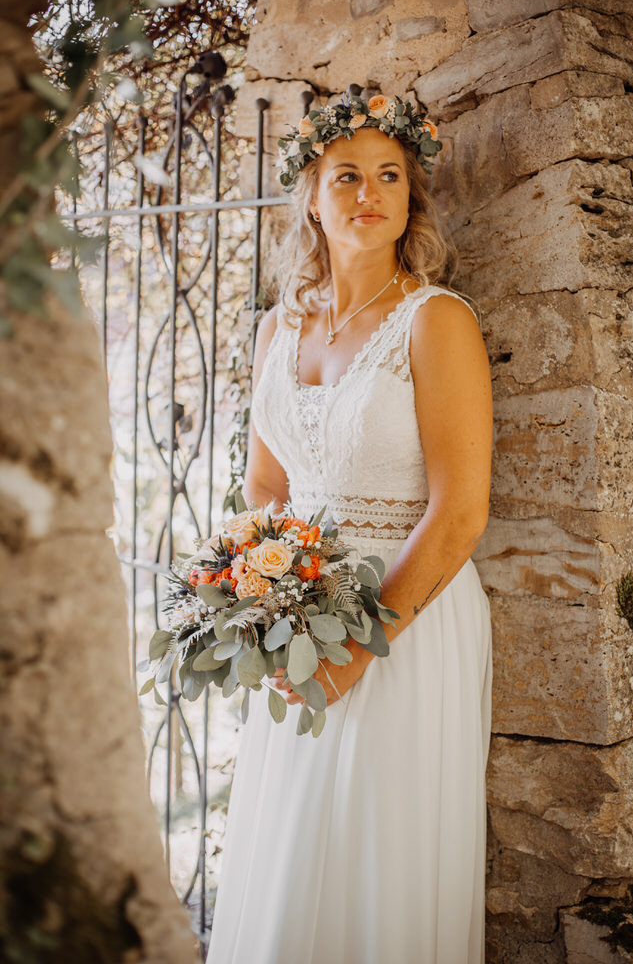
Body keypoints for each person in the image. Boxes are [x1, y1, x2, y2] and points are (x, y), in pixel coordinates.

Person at [206, 89, 493, 964]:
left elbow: (460, 512)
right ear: (311, 196)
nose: (367, 192)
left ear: (411, 199)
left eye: (388, 175)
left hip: (406, 615)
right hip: (298, 618)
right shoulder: (276, 329)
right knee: (291, 847)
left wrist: (356, 648)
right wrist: (255, 604)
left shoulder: (434, 321)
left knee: (379, 852)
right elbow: (264, 489)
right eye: (345, 176)